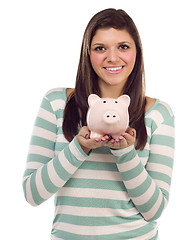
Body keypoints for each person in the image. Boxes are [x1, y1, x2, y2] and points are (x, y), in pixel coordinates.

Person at [22, 8, 175, 240]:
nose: (112, 58)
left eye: (123, 46)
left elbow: (154, 209)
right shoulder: (56, 103)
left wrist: (125, 152)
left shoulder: (158, 114)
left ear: (137, 52)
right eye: (100, 48)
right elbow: (32, 194)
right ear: (87, 53)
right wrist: (79, 149)